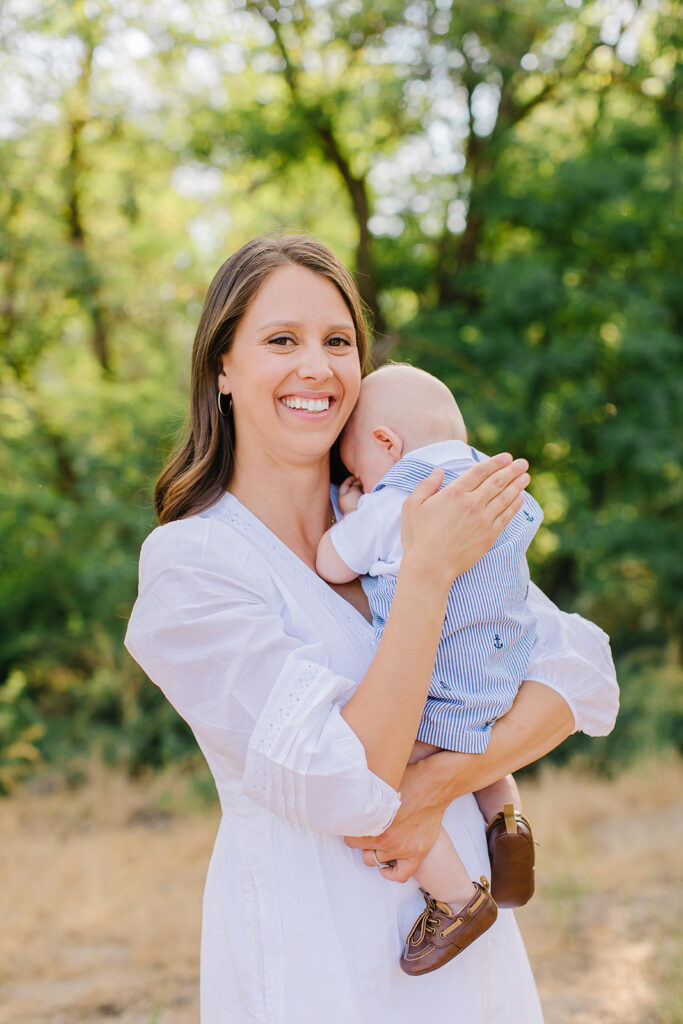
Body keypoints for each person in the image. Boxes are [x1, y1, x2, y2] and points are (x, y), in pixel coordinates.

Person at [124, 235, 619, 1023]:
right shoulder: (195, 563)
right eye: (281, 340)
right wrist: (425, 576)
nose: (315, 366)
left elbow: (573, 677)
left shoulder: (407, 506)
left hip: (466, 940)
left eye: (338, 341)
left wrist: (435, 786)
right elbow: (346, 778)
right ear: (222, 367)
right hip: (319, 947)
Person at [316, 363, 563, 972]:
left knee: (383, 785)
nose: (360, 482)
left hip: (438, 683)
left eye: (357, 470)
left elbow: (329, 563)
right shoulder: (492, 487)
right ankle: (505, 815)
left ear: (386, 445)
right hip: (505, 671)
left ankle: (456, 899)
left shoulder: (399, 499)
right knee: (473, 739)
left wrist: (349, 513)